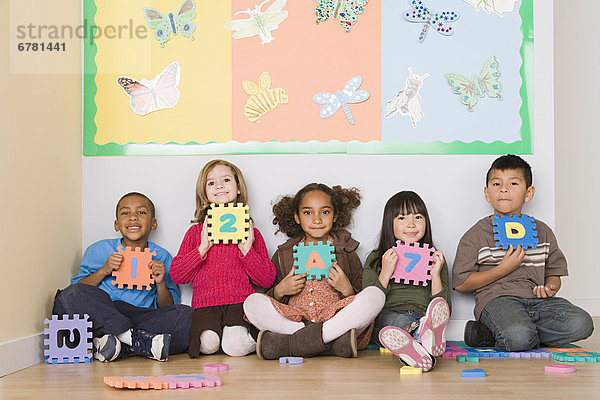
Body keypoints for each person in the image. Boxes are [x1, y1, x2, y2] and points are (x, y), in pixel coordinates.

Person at [453, 154, 594, 351]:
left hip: (539, 302)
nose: (504, 189)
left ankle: (493, 334)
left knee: (583, 323)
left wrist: (551, 286)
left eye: (513, 183)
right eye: (496, 184)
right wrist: (501, 270)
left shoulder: (542, 230)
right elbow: (460, 283)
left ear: (528, 194)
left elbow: (554, 274)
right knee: (518, 336)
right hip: (498, 301)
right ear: (487, 193)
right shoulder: (475, 235)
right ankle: (515, 332)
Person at [244, 183, 385, 359]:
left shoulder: (346, 250)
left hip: (336, 318)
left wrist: (347, 289)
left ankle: (298, 343)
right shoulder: (284, 253)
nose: (317, 219)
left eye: (325, 212)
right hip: (296, 321)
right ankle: (330, 342)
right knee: (252, 302)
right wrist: (280, 291)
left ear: (335, 216)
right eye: (308, 212)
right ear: (297, 217)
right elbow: (270, 296)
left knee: (375, 295)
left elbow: (360, 293)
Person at [53, 192, 193, 362]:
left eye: (141, 212)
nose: (133, 218)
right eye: (126, 213)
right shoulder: (97, 250)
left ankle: (114, 344)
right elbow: (78, 288)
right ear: (117, 224)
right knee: (68, 296)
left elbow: (168, 305)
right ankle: (135, 340)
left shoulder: (162, 257)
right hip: (105, 311)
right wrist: (104, 270)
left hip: (141, 317)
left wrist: (161, 282)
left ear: (153, 223)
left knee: (186, 315)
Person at [170, 160, 276, 357]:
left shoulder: (252, 233)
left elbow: (267, 279)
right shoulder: (195, 233)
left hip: (239, 303)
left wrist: (247, 251)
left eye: (226, 180)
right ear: (205, 193)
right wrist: (202, 249)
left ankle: (266, 338)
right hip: (205, 305)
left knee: (236, 346)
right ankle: (221, 336)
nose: (219, 186)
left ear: (238, 189)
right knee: (207, 344)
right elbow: (177, 275)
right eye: (211, 183)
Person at [362, 191, 451, 372]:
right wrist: (386, 271)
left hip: (425, 316)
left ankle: (420, 343)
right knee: (397, 321)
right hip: (389, 315)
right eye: (402, 218)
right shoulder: (376, 257)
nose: (411, 224)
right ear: (390, 223)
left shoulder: (436, 257)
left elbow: (444, 306)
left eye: (418, 217)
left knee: (424, 321)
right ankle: (422, 338)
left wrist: (435, 275)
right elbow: (368, 304)